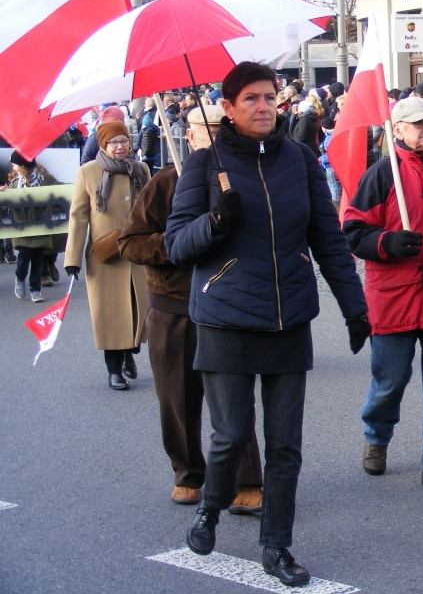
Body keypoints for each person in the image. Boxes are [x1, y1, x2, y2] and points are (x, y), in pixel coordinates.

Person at [165, 62, 370, 585]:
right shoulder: (204, 165)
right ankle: (211, 507)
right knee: (231, 435)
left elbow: (328, 240)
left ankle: (276, 546)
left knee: (285, 447)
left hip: (287, 319)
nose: (263, 106)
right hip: (225, 318)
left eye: (270, 97)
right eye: (251, 98)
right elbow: (176, 246)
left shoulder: (300, 160)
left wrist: (355, 306)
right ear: (228, 108)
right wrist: (215, 222)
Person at [117, 104, 264, 512]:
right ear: (189, 136)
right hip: (173, 304)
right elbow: (130, 241)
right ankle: (188, 474)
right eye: (206, 131)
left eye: (223, 131)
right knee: (177, 399)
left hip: (228, 303)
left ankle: (245, 479)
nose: (215, 139)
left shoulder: (248, 178)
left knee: (234, 400)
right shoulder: (166, 181)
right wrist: (180, 244)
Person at [342, 97, 423, 493]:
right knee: (389, 382)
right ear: (397, 129)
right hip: (394, 300)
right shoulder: (381, 176)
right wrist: (387, 242)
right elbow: (351, 232)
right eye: (417, 124)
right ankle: (377, 438)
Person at [64, 121, 150, 391]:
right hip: (105, 258)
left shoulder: (141, 169)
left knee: (138, 312)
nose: (120, 146)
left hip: (138, 254)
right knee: (111, 318)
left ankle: (129, 353)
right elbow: (78, 216)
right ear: (102, 144)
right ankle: (114, 370)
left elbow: (153, 209)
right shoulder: (88, 172)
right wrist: (72, 258)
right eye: (113, 142)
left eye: (124, 140)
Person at [8, 152, 59, 303]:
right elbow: (8, 201)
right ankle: (20, 278)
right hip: (22, 228)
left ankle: (35, 290)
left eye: (15, 164)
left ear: (22, 166)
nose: (13, 167)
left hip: (41, 227)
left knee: (38, 260)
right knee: (23, 259)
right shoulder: (15, 182)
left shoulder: (45, 179)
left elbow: (58, 187)